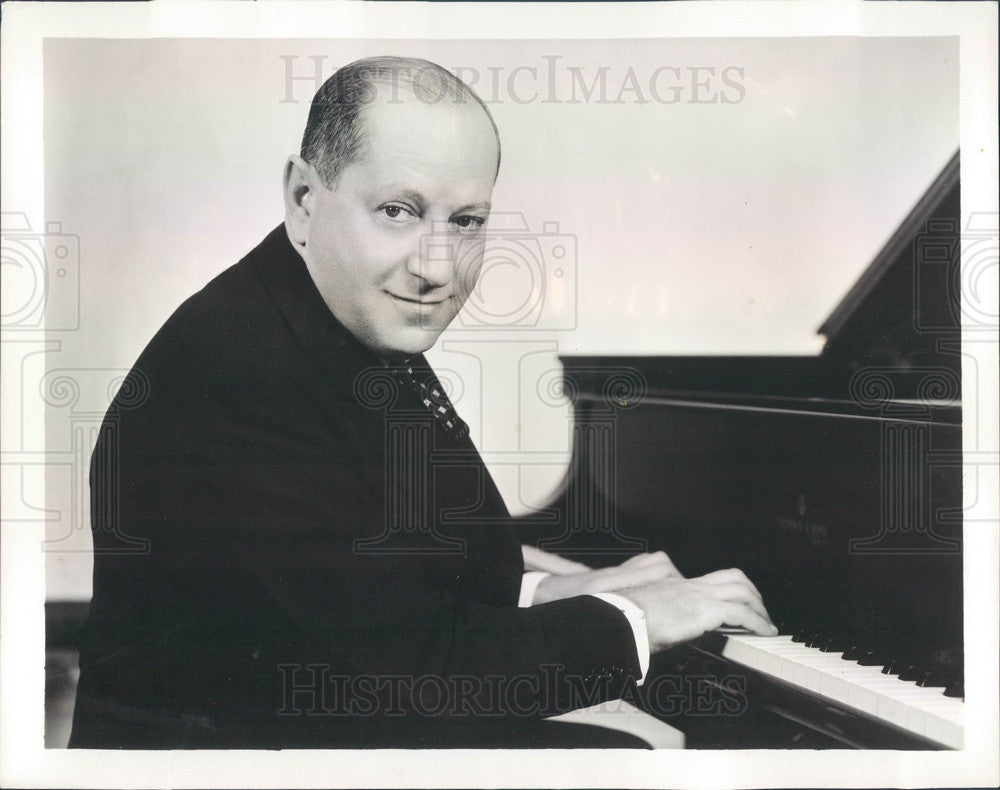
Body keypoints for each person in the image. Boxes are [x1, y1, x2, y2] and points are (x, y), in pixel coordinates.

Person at [69, 56, 775, 749]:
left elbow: (400, 581)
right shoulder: (238, 375)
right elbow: (413, 677)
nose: (437, 266)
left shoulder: (326, 318)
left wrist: (555, 594)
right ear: (303, 198)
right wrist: (634, 619)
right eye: (398, 211)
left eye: (466, 222)